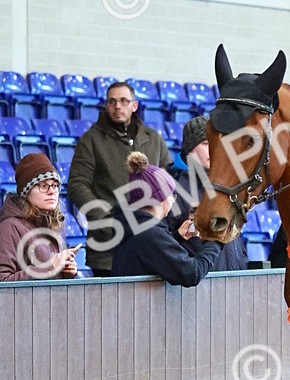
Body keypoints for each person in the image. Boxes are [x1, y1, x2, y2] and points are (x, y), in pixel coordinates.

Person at [67, 81, 171, 278]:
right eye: (112, 101)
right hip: (108, 247)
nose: (118, 106)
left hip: (150, 241)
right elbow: (77, 185)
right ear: (106, 106)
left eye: (124, 101)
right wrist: (105, 221)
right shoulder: (90, 140)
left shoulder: (154, 139)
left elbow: (167, 182)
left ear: (134, 105)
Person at [112, 152, 222, 285]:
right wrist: (216, 241)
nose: (172, 201)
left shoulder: (133, 226)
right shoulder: (150, 234)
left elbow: (151, 254)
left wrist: (178, 237)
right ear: (160, 198)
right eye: (171, 195)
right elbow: (192, 273)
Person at [170, 116, 249, 271]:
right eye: (206, 144)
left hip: (234, 281)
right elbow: (164, 245)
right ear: (189, 148)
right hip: (198, 286)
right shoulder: (173, 188)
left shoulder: (226, 186)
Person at [0, 153, 78, 281]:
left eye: (54, 185)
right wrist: (51, 267)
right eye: (43, 186)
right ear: (27, 192)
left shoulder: (50, 224)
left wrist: (64, 272)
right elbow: (3, 281)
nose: (52, 191)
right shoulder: (10, 227)